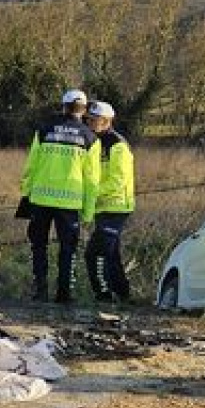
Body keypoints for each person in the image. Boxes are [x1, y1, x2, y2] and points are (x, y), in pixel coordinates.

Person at [19, 89, 100, 304]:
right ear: (84, 110)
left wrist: (27, 194)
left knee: (38, 246)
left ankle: (40, 290)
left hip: (40, 200)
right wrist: (89, 212)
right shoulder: (90, 138)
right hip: (69, 204)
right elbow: (92, 179)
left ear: (63, 106)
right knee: (68, 249)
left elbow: (31, 166)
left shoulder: (44, 130)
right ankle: (64, 294)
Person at [82, 100, 135, 302]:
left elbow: (117, 181)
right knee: (111, 255)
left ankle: (103, 295)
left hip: (116, 206)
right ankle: (123, 294)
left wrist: (91, 193)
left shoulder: (117, 145)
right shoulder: (94, 142)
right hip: (102, 207)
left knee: (96, 253)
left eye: (95, 120)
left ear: (106, 121)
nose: (90, 124)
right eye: (89, 120)